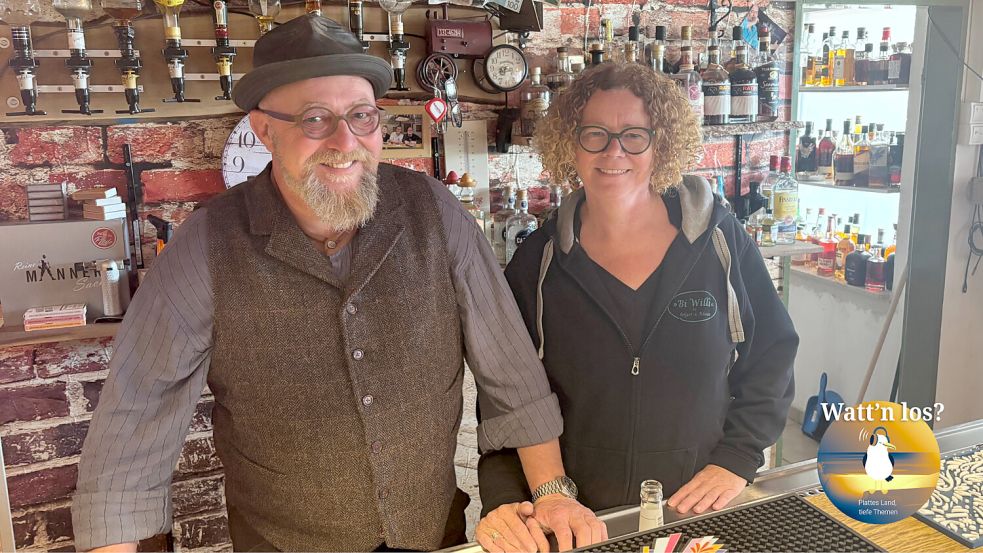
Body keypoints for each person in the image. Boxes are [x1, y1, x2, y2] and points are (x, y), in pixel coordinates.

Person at [71, 15, 604, 553]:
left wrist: (554, 493)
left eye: (361, 116)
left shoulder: (435, 214)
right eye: (314, 119)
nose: (345, 141)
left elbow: (510, 371)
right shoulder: (206, 245)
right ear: (264, 130)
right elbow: (137, 418)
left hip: (430, 534)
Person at [476, 62, 797, 548]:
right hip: (578, 517)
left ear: (660, 143)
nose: (613, 151)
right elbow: (504, 393)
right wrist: (508, 497)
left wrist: (737, 457)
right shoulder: (537, 262)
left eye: (634, 135)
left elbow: (772, 351)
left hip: (697, 507)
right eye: (595, 134)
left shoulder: (719, 241)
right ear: (570, 143)